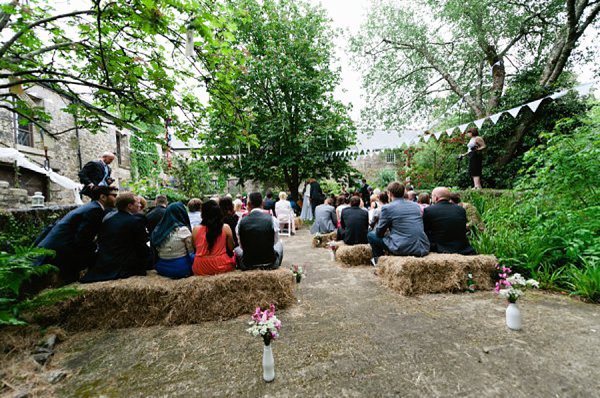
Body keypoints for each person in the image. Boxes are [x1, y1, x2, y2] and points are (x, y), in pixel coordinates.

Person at [36, 186, 118, 284]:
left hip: (54, 247)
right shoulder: (95, 210)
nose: (116, 198)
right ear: (103, 197)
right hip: (61, 250)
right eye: (114, 195)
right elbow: (82, 239)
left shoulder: (91, 207)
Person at [80, 193, 150, 283]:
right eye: (138, 203)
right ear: (130, 206)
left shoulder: (108, 219)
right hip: (122, 266)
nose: (140, 205)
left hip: (104, 262)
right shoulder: (135, 221)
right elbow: (141, 247)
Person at [367, 182, 429, 265]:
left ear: (389, 194)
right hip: (421, 247)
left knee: (371, 235)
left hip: (402, 247)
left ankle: (379, 263)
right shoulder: (416, 206)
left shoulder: (387, 208)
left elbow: (379, 232)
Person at [235, 192, 283, 270]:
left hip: (247, 264)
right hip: (270, 263)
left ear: (249, 204)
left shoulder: (241, 221)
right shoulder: (272, 219)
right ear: (263, 203)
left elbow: (241, 245)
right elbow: (275, 241)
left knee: (237, 249)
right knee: (279, 245)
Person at [423, 187, 476, 255]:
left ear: (436, 198)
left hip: (439, 248)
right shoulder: (461, 210)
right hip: (462, 248)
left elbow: (424, 231)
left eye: (432, 196)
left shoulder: (429, 210)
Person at [192, 200, 236, 275]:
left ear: (202, 214)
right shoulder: (225, 228)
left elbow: (195, 248)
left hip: (201, 267)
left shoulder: (196, 229)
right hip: (221, 266)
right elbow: (231, 247)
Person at [151, 202, 194, 278]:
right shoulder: (183, 230)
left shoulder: (159, 229)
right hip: (181, 268)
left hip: (161, 267)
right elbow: (191, 252)